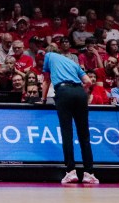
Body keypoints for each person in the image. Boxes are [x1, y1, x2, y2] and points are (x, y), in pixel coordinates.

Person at [40, 48, 99, 184]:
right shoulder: (73, 63)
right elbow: (88, 82)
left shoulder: (49, 55)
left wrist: (43, 100)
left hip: (63, 91)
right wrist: (79, 92)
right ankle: (89, 173)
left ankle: (71, 171)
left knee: (67, 133)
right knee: (84, 135)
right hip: (80, 92)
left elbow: (46, 80)